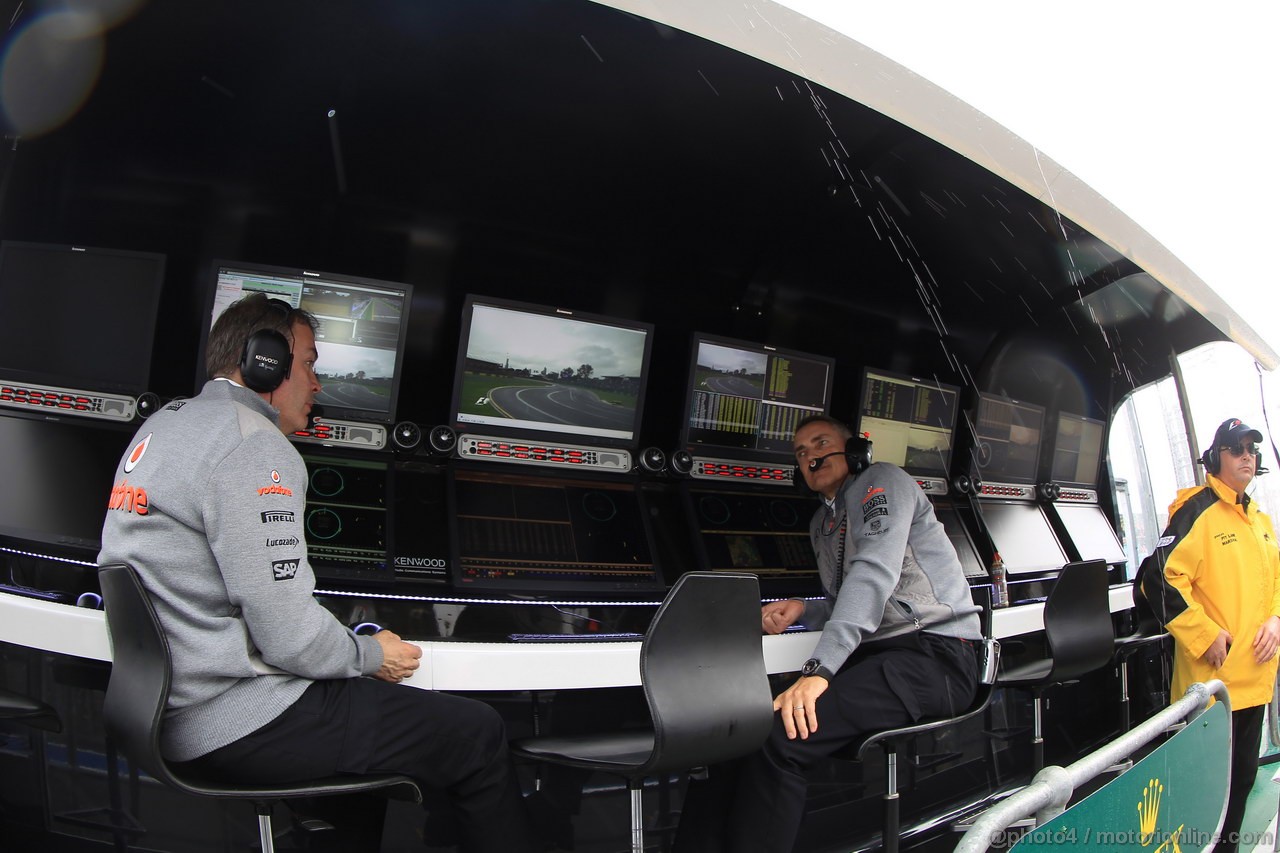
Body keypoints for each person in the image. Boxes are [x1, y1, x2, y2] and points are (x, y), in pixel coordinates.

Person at [98, 293, 533, 853]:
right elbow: (287, 634)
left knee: (382, 733)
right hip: (233, 720)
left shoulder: (166, 424)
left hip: (157, 708)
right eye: (308, 364)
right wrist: (372, 655)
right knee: (476, 733)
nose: (317, 384)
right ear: (266, 362)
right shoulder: (253, 446)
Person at [675, 414, 982, 853]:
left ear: (855, 451)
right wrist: (807, 608)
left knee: (781, 740)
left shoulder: (882, 482)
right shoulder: (822, 524)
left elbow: (874, 572)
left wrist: (819, 670)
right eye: (801, 453)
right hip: (883, 657)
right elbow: (853, 603)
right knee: (740, 733)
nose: (811, 456)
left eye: (821, 443)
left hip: (936, 657)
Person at [1141, 417, 1280, 853]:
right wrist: (1204, 634)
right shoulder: (1196, 511)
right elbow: (1156, 579)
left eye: (1252, 450)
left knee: (1241, 782)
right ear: (1215, 458)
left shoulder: (1259, 520)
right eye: (1236, 449)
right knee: (1203, 794)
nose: (1247, 457)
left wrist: (1276, 621)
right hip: (1212, 687)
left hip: (1254, 683)